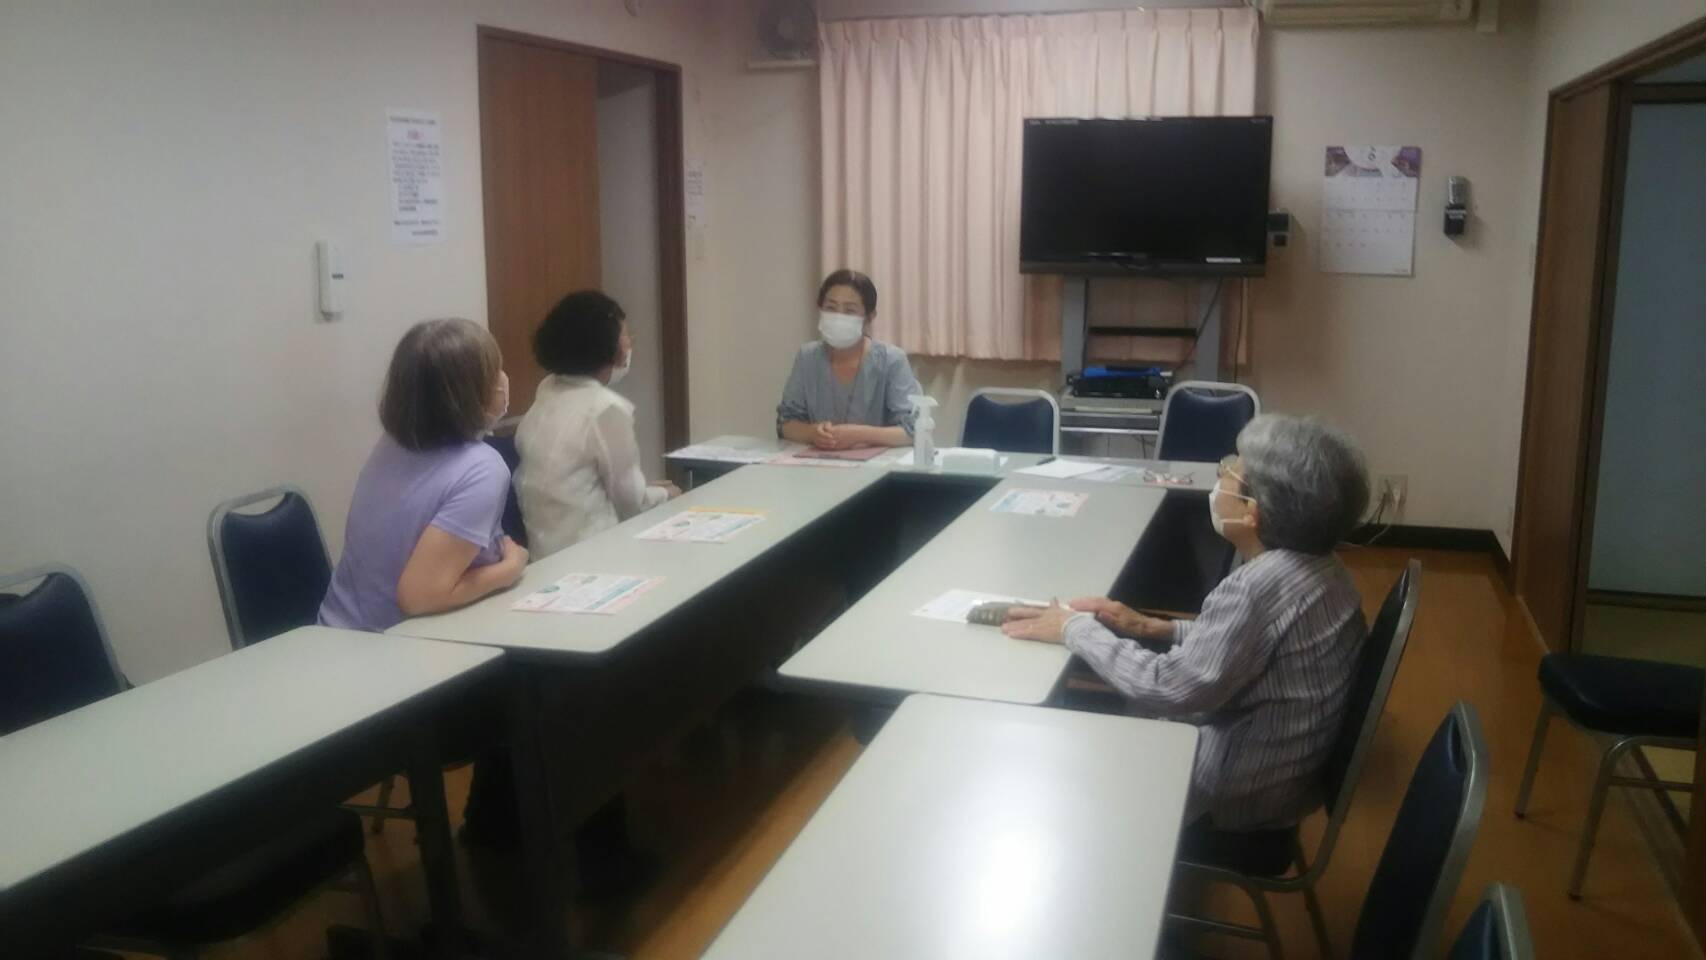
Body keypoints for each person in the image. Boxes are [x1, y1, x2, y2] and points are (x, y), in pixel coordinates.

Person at [1002, 414, 1371, 835]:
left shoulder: (1255, 588)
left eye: (1230, 470)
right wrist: (1153, 627)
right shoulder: (1324, 566)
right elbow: (1246, 646)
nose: (1221, 477)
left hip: (1236, 793)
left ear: (1251, 513)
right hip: (1282, 776)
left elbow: (1166, 688)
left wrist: (1072, 628)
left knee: (1042, 752)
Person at [319, 317, 526, 632]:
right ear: (468, 393)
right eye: (494, 371)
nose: (502, 379)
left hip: (336, 630)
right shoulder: (482, 468)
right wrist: (510, 568)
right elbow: (418, 597)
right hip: (399, 645)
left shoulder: (393, 442)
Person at [515, 290, 679, 558]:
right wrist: (665, 494)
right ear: (606, 347)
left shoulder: (547, 390)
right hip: (595, 553)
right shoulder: (606, 408)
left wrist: (648, 490)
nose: (630, 344)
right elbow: (631, 503)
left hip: (543, 556)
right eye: (625, 336)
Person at [776, 269, 921, 449]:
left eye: (849, 311)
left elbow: (912, 431)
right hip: (817, 462)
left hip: (879, 464)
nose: (838, 317)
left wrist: (858, 434)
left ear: (869, 317)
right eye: (831, 308)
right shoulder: (808, 358)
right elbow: (786, 423)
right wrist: (812, 433)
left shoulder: (891, 360)